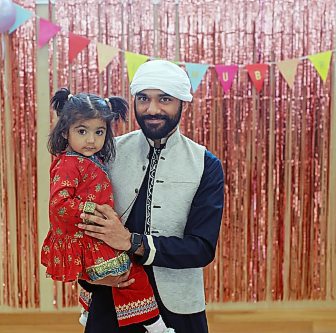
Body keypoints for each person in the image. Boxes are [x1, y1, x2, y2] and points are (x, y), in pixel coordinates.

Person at [77, 60, 225, 333]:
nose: (152, 109)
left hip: (177, 308)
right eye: (143, 98)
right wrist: (90, 274)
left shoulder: (205, 164)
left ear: (182, 102)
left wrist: (131, 242)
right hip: (110, 298)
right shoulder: (108, 153)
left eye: (164, 99)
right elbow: (80, 223)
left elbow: (201, 248)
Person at [40, 88, 174, 333]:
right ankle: (156, 327)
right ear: (65, 131)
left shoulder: (87, 158)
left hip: (97, 232)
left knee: (114, 277)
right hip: (91, 232)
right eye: (82, 131)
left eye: (98, 132)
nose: (91, 140)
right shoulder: (69, 164)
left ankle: (88, 311)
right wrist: (94, 211)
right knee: (130, 276)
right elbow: (59, 204)